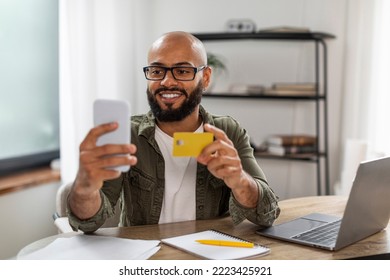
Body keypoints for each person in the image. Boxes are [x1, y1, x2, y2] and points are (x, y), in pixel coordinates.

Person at [67, 31, 280, 233]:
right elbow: (88, 223)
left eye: (182, 71)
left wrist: (241, 181)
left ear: (205, 78)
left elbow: (267, 215)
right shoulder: (129, 135)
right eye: (157, 71)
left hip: (208, 256)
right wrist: (84, 187)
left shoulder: (227, 132)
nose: (167, 81)